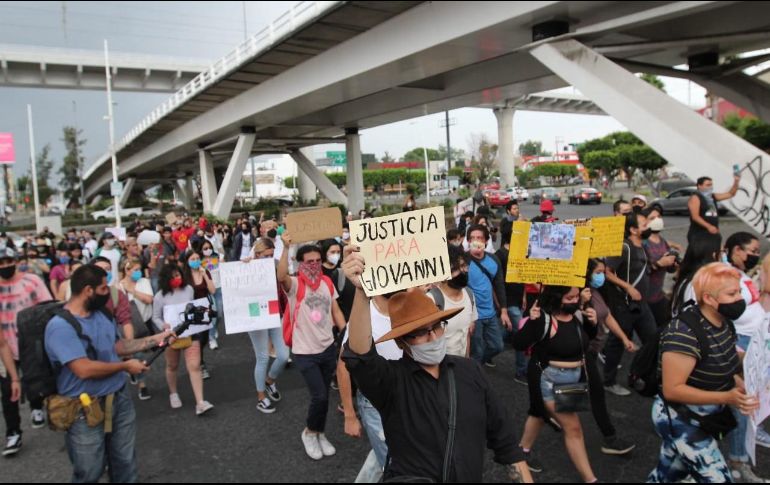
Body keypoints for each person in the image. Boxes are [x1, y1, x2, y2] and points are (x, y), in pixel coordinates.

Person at [341, 246, 532, 483]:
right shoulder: (391, 382)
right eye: (420, 334)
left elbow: (506, 443)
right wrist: (361, 291)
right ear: (402, 343)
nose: (432, 337)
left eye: (437, 327)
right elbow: (360, 357)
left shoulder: (471, 371)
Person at [44, 264, 172, 482]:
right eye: (104, 289)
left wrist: (159, 338)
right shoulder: (60, 327)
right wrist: (125, 366)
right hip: (84, 409)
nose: (108, 294)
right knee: (90, 470)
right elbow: (83, 369)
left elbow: (118, 346)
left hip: (119, 399)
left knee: (125, 462)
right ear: (88, 290)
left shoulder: (101, 314)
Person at [649, 263, 759, 483]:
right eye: (732, 293)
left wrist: (741, 382)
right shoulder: (684, 333)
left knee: (668, 474)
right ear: (708, 298)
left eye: (739, 291)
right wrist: (727, 397)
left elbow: (723, 363)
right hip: (680, 417)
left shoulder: (724, 323)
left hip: (704, 416)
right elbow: (672, 390)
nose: (739, 298)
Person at [513, 286, 599, 482]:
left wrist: (592, 323)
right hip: (549, 381)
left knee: (539, 415)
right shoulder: (544, 319)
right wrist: (532, 323)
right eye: (569, 297)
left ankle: (521, 453)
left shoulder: (578, 314)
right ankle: (590, 479)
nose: (575, 300)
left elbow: (586, 340)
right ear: (557, 298)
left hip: (572, 380)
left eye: (577, 296)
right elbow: (518, 343)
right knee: (574, 428)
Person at [277, 232, 346, 460]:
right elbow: (281, 276)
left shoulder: (326, 282)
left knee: (324, 394)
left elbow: (336, 311)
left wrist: (345, 335)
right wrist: (286, 248)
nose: (315, 264)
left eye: (318, 260)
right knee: (320, 397)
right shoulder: (295, 284)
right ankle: (309, 432)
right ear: (301, 263)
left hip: (327, 348)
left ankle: (319, 432)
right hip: (305, 352)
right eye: (309, 261)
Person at [337, 288, 403, 482]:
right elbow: (343, 366)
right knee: (398, 466)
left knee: (389, 451)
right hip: (374, 404)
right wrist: (349, 415)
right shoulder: (364, 315)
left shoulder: (410, 305)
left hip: (406, 395)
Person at [581, 259, 637, 455]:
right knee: (596, 393)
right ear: (587, 273)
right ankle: (610, 437)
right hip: (580, 353)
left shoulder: (596, 293)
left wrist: (623, 338)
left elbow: (607, 316)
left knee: (571, 396)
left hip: (593, 351)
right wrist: (580, 302)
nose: (602, 276)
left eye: (603, 272)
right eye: (598, 272)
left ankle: (548, 413)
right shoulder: (576, 294)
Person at [0, 248, 52, 455]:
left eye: (8, 261)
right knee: (8, 391)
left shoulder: (32, 281)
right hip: (4, 345)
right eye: (0, 262)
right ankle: (13, 433)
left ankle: (36, 406)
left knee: (35, 380)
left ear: (16, 260)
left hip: (31, 343)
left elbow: (47, 309)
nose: (5, 265)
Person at [601, 213, 657, 397]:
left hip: (641, 305)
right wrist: (628, 288)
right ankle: (609, 380)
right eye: (644, 223)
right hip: (624, 305)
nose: (649, 225)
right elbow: (607, 273)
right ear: (633, 230)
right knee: (618, 341)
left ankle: (639, 375)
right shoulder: (624, 247)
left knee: (651, 340)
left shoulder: (643, 247)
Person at [152, 264, 214, 415]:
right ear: (166, 279)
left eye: (178, 275)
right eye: (173, 276)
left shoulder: (189, 289)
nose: (177, 278)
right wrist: (163, 325)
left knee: (195, 366)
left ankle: (200, 402)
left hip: (191, 333)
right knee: (172, 365)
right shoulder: (160, 296)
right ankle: (173, 393)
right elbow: (155, 317)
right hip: (171, 336)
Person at [246, 239, 290, 414]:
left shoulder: (276, 264)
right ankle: (261, 397)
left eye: (271, 255)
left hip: (275, 312)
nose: (269, 258)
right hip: (256, 315)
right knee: (263, 357)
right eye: (266, 255)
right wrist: (244, 267)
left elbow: (284, 280)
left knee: (283, 355)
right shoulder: (247, 267)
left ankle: (270, 381)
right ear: (257, 254)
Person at [465, 224, 512, 367]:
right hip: (473, 316)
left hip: (490, 314)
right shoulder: (463, 261)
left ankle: (475, 366)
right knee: (477, 351)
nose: (476, 241)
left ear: (486, 241)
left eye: (479, 238)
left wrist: (503, 310)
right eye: (472, 238)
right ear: (468, 241)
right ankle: (476, 374)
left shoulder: (494, 260)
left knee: (497, 346)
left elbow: (499, 286)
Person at [426, 245, 477, 358]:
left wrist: (467, 361)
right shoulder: (432, 300)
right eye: (455, 269)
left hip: (461, 367)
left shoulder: (469, 295)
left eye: (463, 266)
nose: (462, 271)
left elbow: (466, 334)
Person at [119, 257, 155, 401]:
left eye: (140, 269)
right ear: (126, 271)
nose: (138, 272)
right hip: (128, 324)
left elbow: (149, 299)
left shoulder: (144, 282)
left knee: (138, 352)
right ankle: (142, 385)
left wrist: (132, 291)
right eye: (135, 270)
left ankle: (135, 372)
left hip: (144, 322)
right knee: (137, 353)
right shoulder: (118, 286)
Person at [496, 225, 528, 384]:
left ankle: (483, 356)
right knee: (522, 335)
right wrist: (502, 307)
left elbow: (521, 276)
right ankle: (521, 371)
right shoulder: (500, 255)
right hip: (508, 303)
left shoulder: (520, 253)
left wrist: (524, 296)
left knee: (498, 339)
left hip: (517, 300)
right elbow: (496, 283)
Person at [643, 217, 679, 327]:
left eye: (659, 216)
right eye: (653, 217)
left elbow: (669, 268)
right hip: (645, 296)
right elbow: (642, 268)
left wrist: (673, 265)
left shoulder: (662, 241)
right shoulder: (644, 243)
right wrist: (658, 264)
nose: (657, 219)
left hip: (658, 294)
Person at [687, 175, 740, 244]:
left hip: (712, 232)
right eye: (708, 185)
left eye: (711, 185)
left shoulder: (712, 196)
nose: (710, 187)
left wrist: (736, 181)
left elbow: (730, 194)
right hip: (699, 233)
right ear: (699, 186)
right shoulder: (695, 198)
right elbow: (695, 217)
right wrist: (709, 226)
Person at [199, 239, 223, 351]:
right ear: (201, 250)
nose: (208, 250)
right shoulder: (199, 261)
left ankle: (214, 329)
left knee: (220, 314)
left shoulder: (218, 257)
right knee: (213, 314)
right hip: (208, 291)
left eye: (209, 247)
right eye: (205, 248)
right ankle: (211, 338)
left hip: (219, 288)